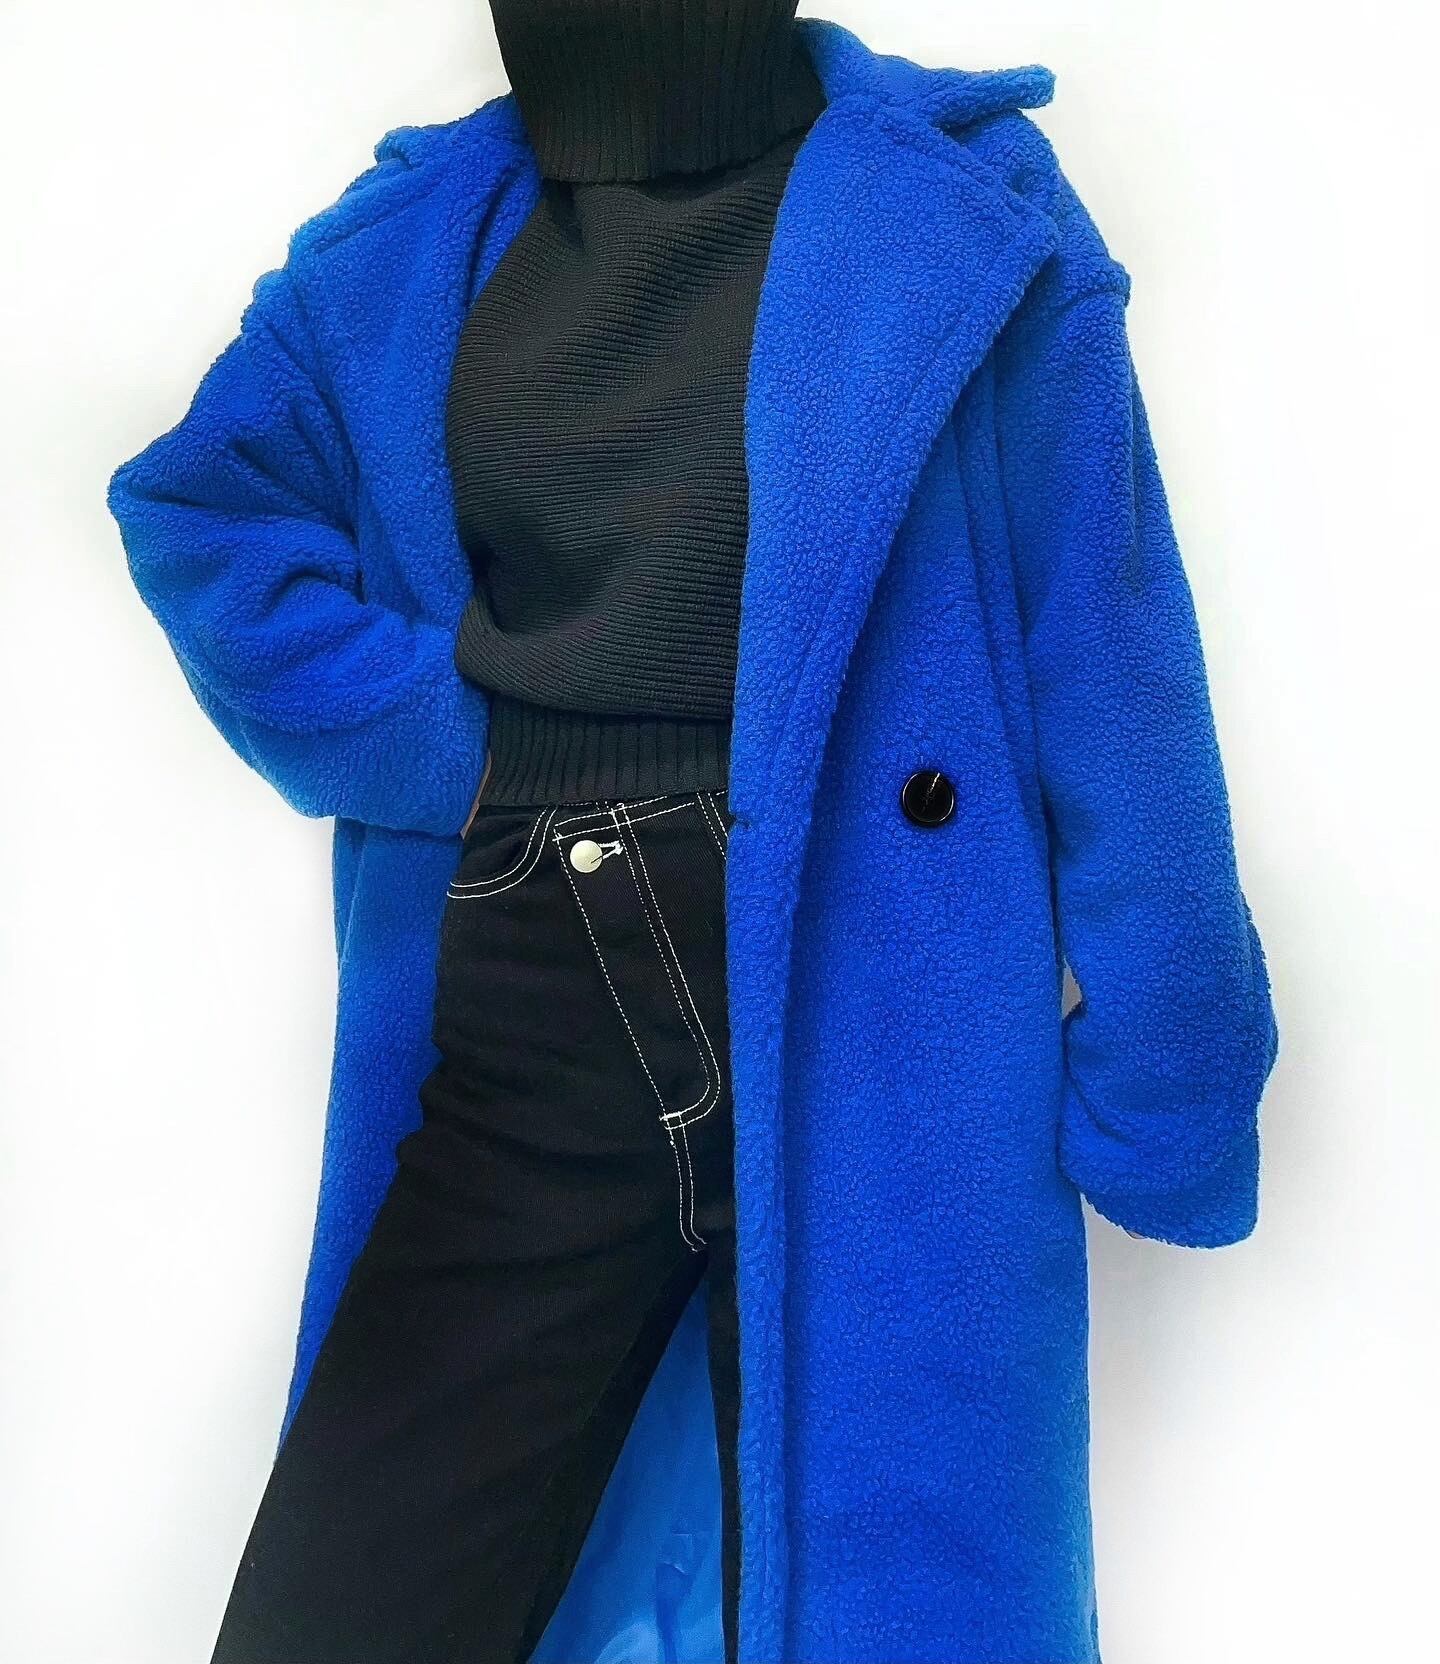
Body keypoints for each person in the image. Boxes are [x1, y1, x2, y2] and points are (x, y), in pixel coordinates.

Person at [106, 7, 1278, 1662]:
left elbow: (1109, 635)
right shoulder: (416, 239)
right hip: (541, 977)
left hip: (876, 989)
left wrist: (1177, 1046)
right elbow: (200, 505)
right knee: (340, 1609)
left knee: (896, 1601)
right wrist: (454, 747)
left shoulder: (958, 198)